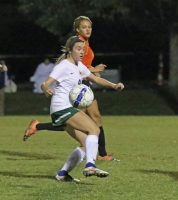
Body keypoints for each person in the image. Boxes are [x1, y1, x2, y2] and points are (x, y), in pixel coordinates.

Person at [24, 16, 115, 161]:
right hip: (78, 86)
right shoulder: (79, 44)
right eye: (84, 27)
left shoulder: (85, 43)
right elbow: (77, 65)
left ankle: (100, 154)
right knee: (73, 121)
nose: (87, 29)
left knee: (90, 118)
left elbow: (82, 66)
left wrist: (92, 71)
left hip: (84, 84)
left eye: (89, 27)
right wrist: (94, 69)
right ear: (78, 29)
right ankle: (98, 154)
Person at [40, 35, 124, 182]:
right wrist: (46, 88)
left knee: (87, 145)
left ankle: (62, 174)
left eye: (83, 49)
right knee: (95, 130)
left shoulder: (79, 66)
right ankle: (90, 166)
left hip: (65, 110)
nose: (82, 52)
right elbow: (46, 83)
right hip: (62, 108)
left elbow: (96, 79)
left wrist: (113, 85)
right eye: (78, 49)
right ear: (69, 50)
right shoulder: (64, 66)